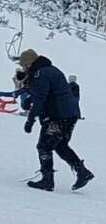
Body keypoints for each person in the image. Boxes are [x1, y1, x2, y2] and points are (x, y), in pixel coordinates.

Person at [19, 49, 94, 192]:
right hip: (69, 115)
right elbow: (47, 93)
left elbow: (41, 99)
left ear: (29, 63)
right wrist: (29, 99)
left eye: (24, 65)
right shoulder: (49, 70)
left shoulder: (41, 74)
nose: (23, 68)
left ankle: (47, 180)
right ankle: (82, 172)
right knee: (60, 145)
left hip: (58, 116)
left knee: (44, 146)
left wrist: (30, 120)